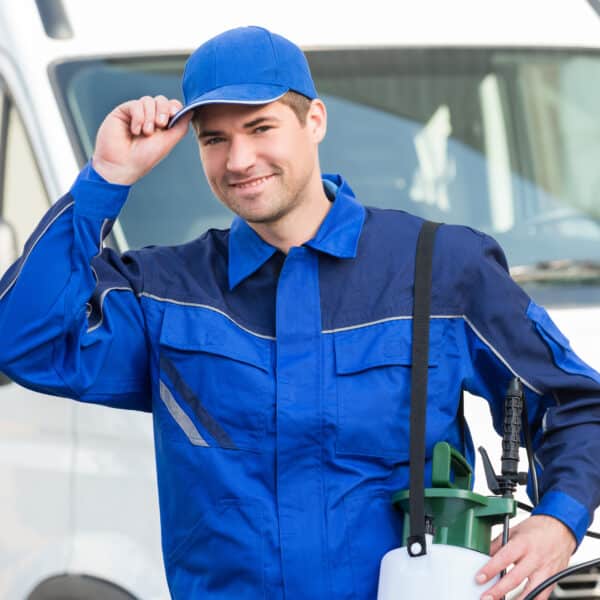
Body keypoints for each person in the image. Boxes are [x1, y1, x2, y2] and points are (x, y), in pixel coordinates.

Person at [1, 25, 599, 600]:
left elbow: (578, 405)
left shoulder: (439, 268)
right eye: (215, 139)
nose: (239, 159)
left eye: (260, 127)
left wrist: (558, 522)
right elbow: (22, 340)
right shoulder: (164, 293)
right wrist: (107, 178)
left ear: (314, 120)